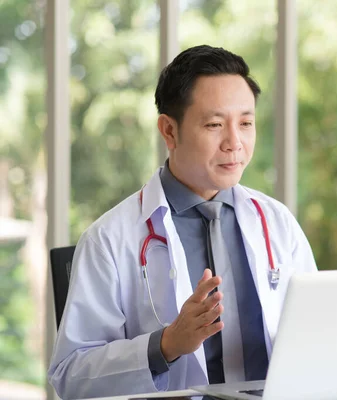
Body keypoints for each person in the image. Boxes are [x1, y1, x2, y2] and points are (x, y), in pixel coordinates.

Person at [48, 45, 318, 399]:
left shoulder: (277, 223)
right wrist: (166, 345)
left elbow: (318, 335)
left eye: (246, 123)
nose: (234, 143)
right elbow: (70, 376)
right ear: (169, 131)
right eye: (215, 124)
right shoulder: (108, 239)